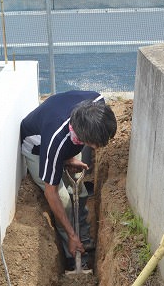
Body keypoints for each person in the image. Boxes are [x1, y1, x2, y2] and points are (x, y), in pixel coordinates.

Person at [20, 90, 117, 271]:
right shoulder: (54, 142)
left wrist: (69, 158)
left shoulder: (97, 105)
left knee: (79, 190)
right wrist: (72, 235)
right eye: (96, 145)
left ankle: (85, 240)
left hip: (64, 139)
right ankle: (71, 252)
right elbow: (51, 193)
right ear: (84, 137)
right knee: (64, 200)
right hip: (37, 149)